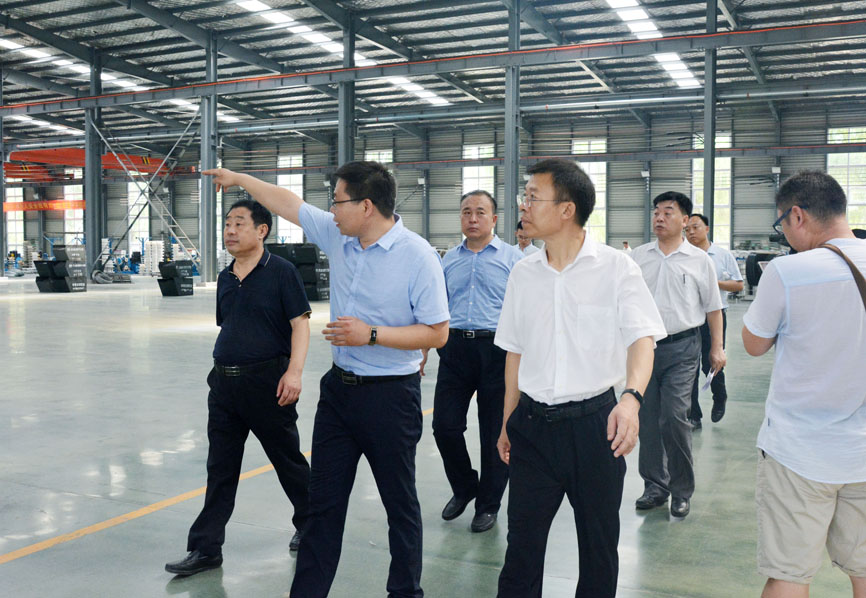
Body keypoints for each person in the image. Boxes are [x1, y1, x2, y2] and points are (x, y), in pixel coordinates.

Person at [203, 162, 449, 598]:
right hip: (338, 395)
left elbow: (437, 332)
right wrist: (240, 180)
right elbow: (288, 204)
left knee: (400, 506)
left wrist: (371, 335)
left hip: (391, 398)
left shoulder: (417, 256)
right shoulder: (340, 237)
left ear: (366, 206)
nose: (331, 210)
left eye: (337, 201)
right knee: (322, 507)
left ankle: (405, 592)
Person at [495, 159, 665, 598]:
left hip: (595, 428)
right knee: (521, 552)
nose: (523, 206)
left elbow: (642, 339)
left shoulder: (615, 267)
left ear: (567, 209)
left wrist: (630, 399)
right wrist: (507, 421)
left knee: (598, 550)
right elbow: (514, 352)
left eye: (533, 197)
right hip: (532, 428)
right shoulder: (523, 273)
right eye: (525, 197)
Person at [165, 199, 312, 576]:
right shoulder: (226, 276)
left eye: (239, 224)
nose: (230, 231)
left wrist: (294, 373)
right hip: (224, 386)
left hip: (268, 385)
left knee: (288, 461)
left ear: (262, 230)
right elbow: (230, 325)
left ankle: (312, 525)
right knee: (220, 468)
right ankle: (206, 548)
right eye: (227, 224)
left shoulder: (282, 271)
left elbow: (300, 324)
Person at [742, 171, 866, 598]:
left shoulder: (788, 271)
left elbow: (754, 344)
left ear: (796, 215)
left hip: (799, 453)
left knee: (789, 576)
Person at [432, 190, 523, 533]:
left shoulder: (513, 259)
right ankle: (465, 485)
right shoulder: (447, 261)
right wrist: (424, 350)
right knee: (444, 426)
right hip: (454, 349)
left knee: (494, 433)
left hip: (498, 352)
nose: (473, 218)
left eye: (480, 212)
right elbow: (435, 308)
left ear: (494, 219)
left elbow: (525, 311)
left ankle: (488, 505)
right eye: (466, 212)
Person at [630, 192, 725, 518]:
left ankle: (681, 490)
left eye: (668, 212)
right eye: (656, 212)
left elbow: (713, 308)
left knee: (673, 417)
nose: (659, 217)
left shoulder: (699, 260)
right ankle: (655, 486)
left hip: (683, 347)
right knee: (647, 420)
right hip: (645, 347)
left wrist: (716, 348)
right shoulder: (638, 257)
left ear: (685, 220)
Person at [685, 213, 744, 428]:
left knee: (711, 362)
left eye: (696, 227)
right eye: (687, 229)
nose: (691, 232)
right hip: (690, 318)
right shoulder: (684, 255)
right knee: (689, 368)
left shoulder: (722, 255)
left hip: (715, 316)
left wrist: (713, 283)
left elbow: (738, 285)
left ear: (707, 229)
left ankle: (720, 396)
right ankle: (693, 415)